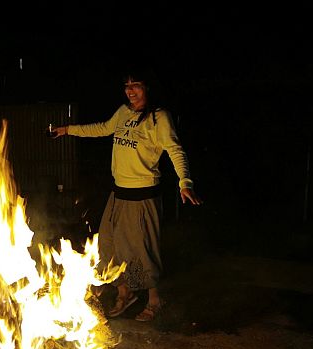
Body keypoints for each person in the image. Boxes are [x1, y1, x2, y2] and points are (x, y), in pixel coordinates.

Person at [52, 64, 202, 322]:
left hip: (142, 196)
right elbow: (102, 128)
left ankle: (155, 300)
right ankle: (125, 293)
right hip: (118, 194)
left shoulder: (159, 117)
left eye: (136, 85)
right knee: (109, 246)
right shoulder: (123, 113)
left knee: (142, 250)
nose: (130, 91)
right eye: (127, 86)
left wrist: (184, 182)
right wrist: (68, 130)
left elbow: (176, 150)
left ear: (148, 88)